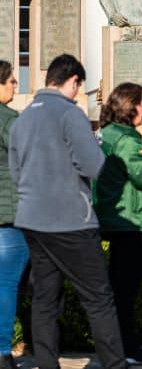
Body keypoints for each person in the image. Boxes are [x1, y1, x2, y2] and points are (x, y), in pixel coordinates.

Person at [9, 54, 127, 369]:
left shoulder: (22, 119)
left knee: (45, 299)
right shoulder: (70, 114)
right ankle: (116, 364)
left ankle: (48, 364)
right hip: (70, 220)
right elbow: (93, 165)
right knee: (99, 299)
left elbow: (16, 172)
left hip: (32, 220)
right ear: (73, 80)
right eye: (79, 86)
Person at [94, 83, 142, 366]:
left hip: (115, 217)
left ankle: (119, 344)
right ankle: (126, 346)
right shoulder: (128, 140)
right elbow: (141, 175)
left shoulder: (107, 134)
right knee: (126, 290)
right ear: (129, 107)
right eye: (141, 104)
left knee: (118, 286)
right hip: (132, 219)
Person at [0, 61, 26, 369]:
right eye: (10, 82)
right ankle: (3, 349)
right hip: (8, 213)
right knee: (6, 284)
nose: (15, 86)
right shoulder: (9, 120)